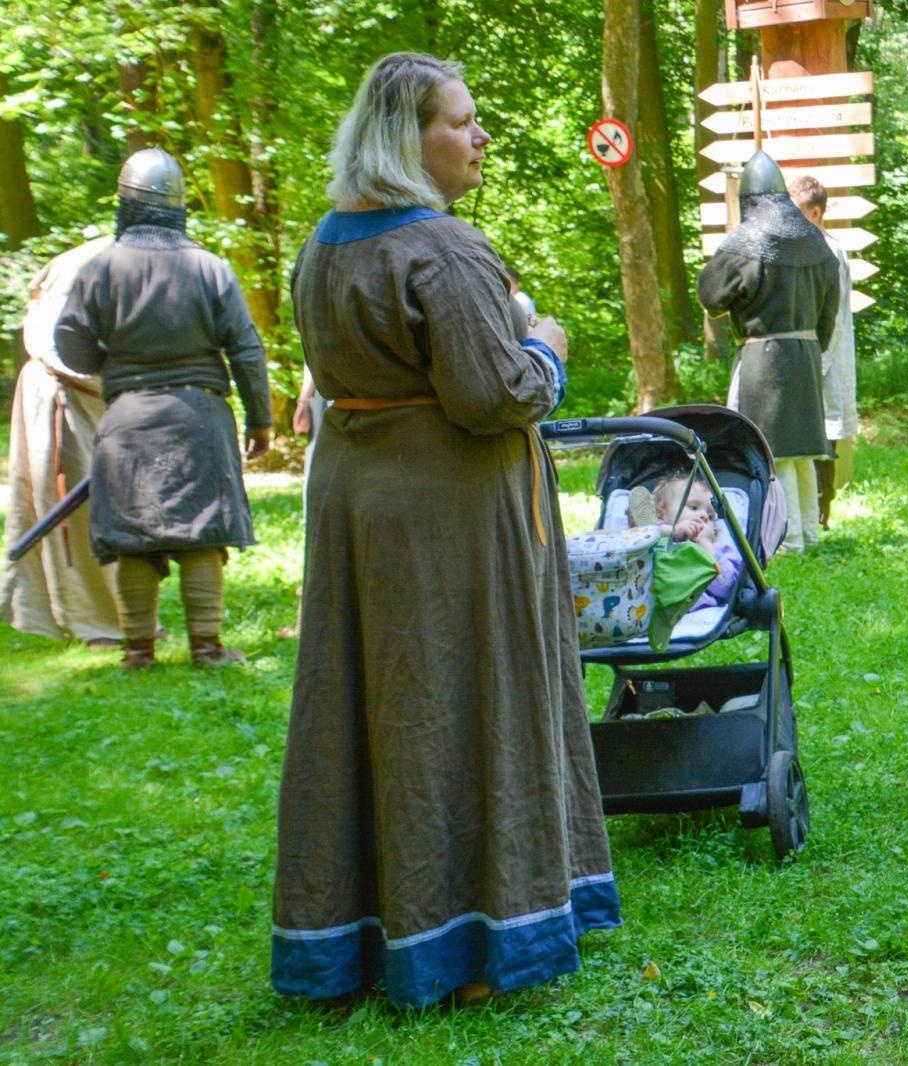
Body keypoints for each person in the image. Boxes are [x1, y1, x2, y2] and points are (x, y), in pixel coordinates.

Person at [271, 52, 619, 1010]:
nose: (479, 137)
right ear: (405, 138)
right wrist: (545, 343)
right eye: (461, 122)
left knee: (375, 701)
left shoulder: (327, 241)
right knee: (462, 699)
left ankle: (362, 938)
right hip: (448, 512)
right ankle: (470, 946)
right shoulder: (442, 248)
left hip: (357, 499)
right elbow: (493, 396)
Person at [55, 149, 272, 669]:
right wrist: (261, 418)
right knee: (202, 532)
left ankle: (138, 651)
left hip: (129, 416)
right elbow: (245, 347)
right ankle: (207, 647)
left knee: (134, 536)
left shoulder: (100, 267)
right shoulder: (209, 268)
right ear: (177, 205)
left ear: (126, 202)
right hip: (199, 415)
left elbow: (69, 340)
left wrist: (109, 363)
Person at [699, 150, 839, 555]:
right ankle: (807, 533)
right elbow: (828, 312)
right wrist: (812, 349)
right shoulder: (815, 240)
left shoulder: (748, 241)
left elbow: (711, 294)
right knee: (801, 454)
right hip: (808, 352)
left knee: (770, 449)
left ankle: (787, 541)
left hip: (765, 358)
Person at [1, 234, 122, 645]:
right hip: (63, 392)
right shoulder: (96, 262)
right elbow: (60, 342)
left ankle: (63, 611)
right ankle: (96, 621)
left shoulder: (130, 257)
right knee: (77, 508)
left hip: (79, 391)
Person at [788, 175, 858, 531]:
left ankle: (820, 514)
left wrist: (818, 364)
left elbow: (830, 317)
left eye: (797, 212)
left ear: (815, 213)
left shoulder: (828, 251)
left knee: (823, 441)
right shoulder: (803, 248)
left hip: (823, 361)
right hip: (810, 360)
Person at [617, 472, 742, 610]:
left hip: (692, 611)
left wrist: (706, 543)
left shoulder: (718, 549)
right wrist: (672, 531)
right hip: (642, 604)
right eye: (693, 507)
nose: (704, 516)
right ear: (661, 513)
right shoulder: (653, 529)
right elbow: (627, 541)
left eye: (711, 516)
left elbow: (725, 588)